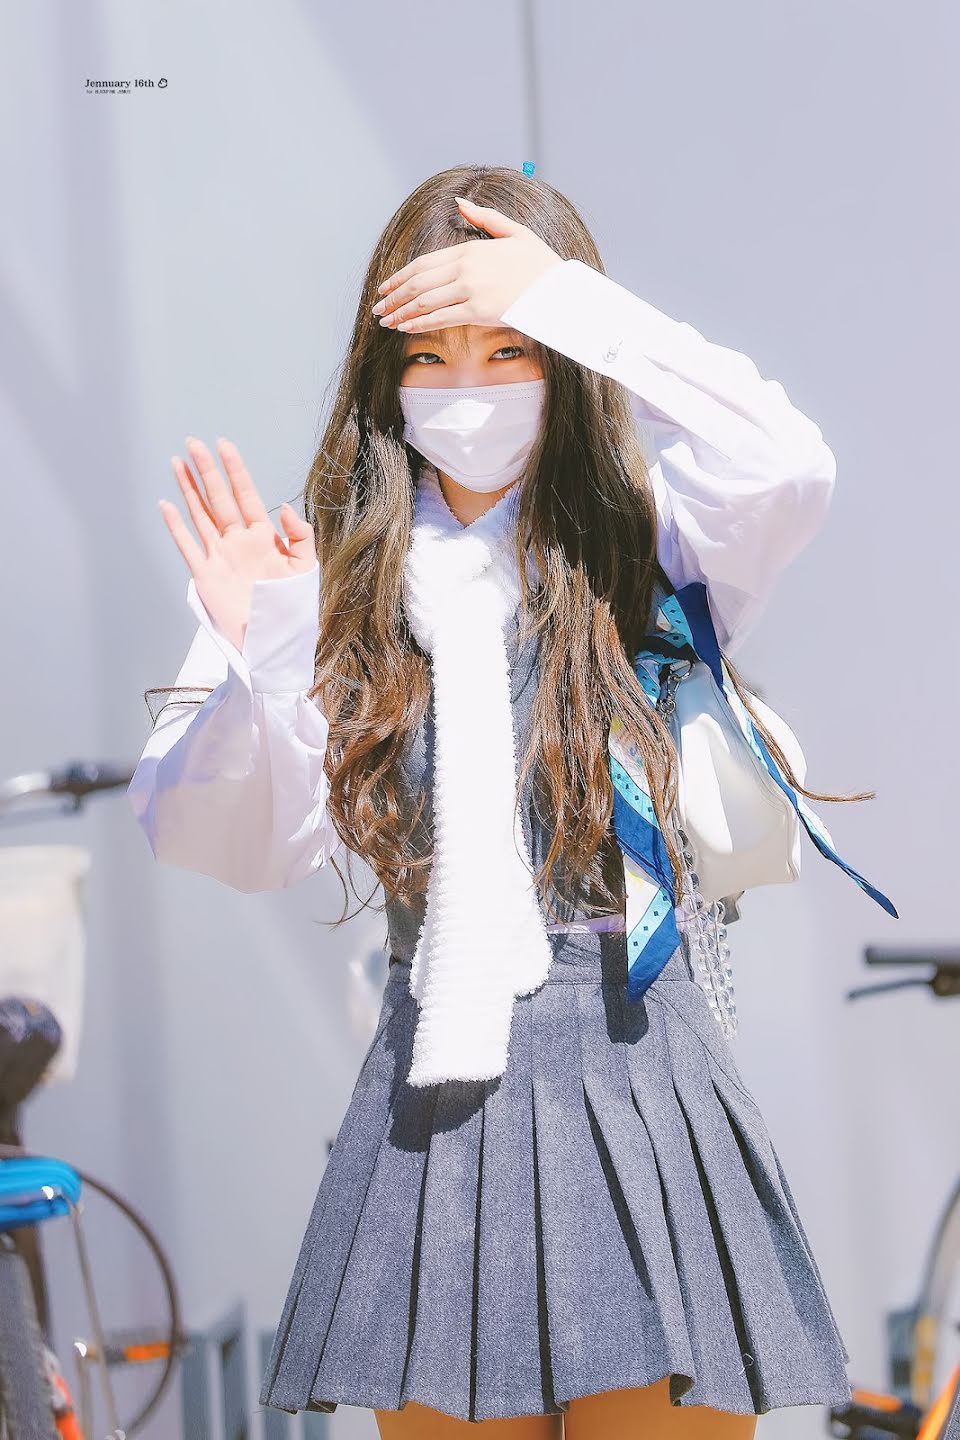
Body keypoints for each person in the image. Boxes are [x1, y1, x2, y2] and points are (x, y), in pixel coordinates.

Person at [128, 166, 862, 1439]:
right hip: (437, 1082)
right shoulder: (320, 571)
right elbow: (235, 840)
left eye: (508, 347)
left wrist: (570, 298)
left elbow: (787, 465)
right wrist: (265, 652)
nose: (467, 387)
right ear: (383, 374)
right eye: (431, 354)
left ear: (563, 361)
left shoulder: (652, 539)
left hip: (638, 1056)